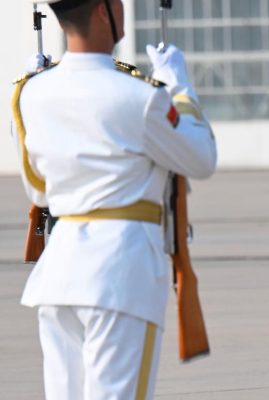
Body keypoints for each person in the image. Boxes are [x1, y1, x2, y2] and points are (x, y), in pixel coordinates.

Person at [14, 0, 216, 398]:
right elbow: (201, 157)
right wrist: (180, 88)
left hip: (57, 278)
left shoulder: (30, 92)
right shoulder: (139, 96)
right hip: (119, 276)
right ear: (103, 11)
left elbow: (38, 189)